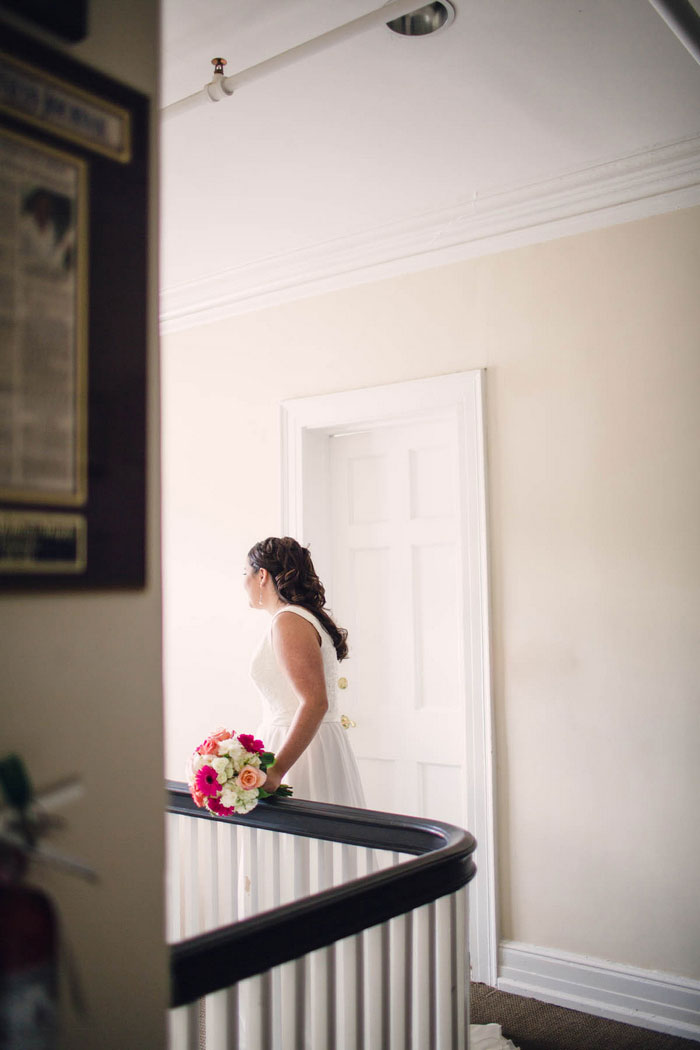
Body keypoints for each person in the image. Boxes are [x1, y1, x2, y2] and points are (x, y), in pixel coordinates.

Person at [244, 536, 365, 807]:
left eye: (246, 573)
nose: (243, 583)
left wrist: (276, 771)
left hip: (299, 755)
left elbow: (315, 702)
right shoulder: (298, 617)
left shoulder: (289, 620)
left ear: (261, 575)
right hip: (304, 743)